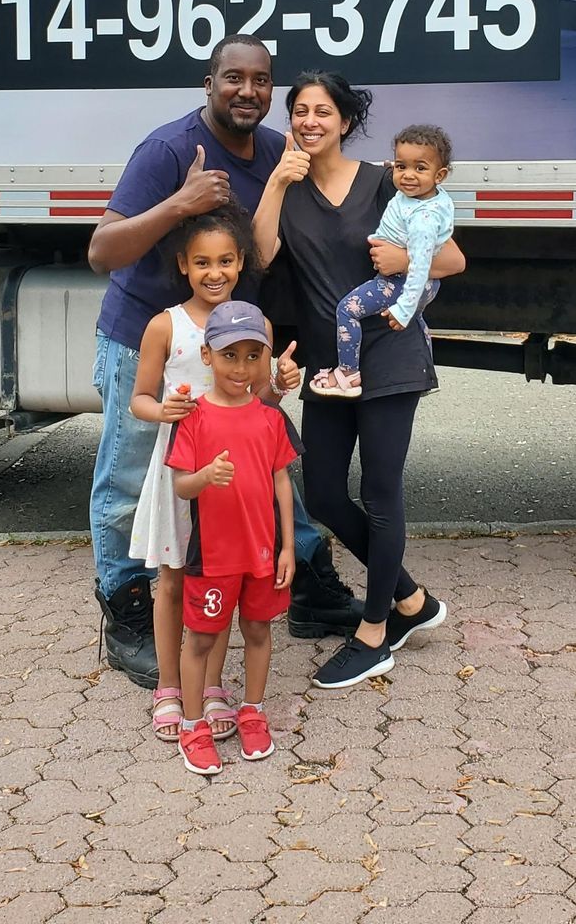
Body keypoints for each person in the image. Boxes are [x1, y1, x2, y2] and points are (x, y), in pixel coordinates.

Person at [87, 37, 361, 687]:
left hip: (228, 350)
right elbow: (102, 251)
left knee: (268, 462)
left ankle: (310, 589)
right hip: (150, 340)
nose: (248, 90)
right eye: (232, 78)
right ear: (207, 83)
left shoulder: (271, 150)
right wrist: (179, 204)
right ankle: (127, 614)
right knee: (132, 480)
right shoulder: (168, 150)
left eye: (261, 80)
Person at [254, 73, 464, 690]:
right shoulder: (288, 191)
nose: (309, 121)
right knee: (320, 493)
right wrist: (274, 182)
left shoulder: (383, 181)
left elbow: (453, 259)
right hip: (329, 367)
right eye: (299, 112)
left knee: (379, 493)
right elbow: (261, 257)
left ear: (345, 121)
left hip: (390, 357)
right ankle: (410, 599)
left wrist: (404, 261)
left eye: (323, 111)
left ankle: (375, 632)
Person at [127, 206, 301, 742]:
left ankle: (216, 687)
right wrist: (165, 413)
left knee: (222, 580)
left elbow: (259, 400)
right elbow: (138, 399)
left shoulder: (256, 324)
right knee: (174, 577)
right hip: (181, 468)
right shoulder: (166, 325)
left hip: (237, 479)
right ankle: (170, 688)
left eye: (226, 260)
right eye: (202, 262)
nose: (214, 272)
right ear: (184, 264)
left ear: (241, 262)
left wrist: (283, 382)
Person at [164, 301, 300, 775]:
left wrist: (287, 547)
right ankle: (193, 725)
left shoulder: (268, 418)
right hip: (214, 555)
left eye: (251, 356)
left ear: (264, 358)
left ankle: (253, 712)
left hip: (263, 554)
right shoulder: (195, 417)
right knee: (201, 638)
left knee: (259, 631)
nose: (240, 368)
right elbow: (180, 484)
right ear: (207, 356)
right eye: (229, 356)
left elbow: (282, 480)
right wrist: (205, 476)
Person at [310, 124, 455, 399]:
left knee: (347, 310)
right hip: (417, 283)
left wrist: (403, 308)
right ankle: (423, 370)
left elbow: (421, 266)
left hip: (400, 282)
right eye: (401, 166)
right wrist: (404, 171)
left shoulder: (424, 220)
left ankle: (348, 374)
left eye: (419, 168)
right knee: (419, 318)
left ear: (440, 175)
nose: (408, 176)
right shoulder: (426, 196)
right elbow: (410, 180)